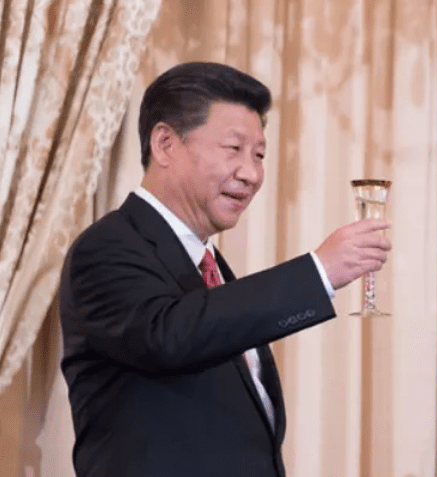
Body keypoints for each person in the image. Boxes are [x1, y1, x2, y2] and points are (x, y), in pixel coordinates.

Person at [59, 62, 391, 477]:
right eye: (233, 149)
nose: (251, 174)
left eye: (259, 155)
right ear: (164, 144)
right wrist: (318, 272)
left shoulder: (210, 263)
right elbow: (170, 335)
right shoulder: (106, 247)